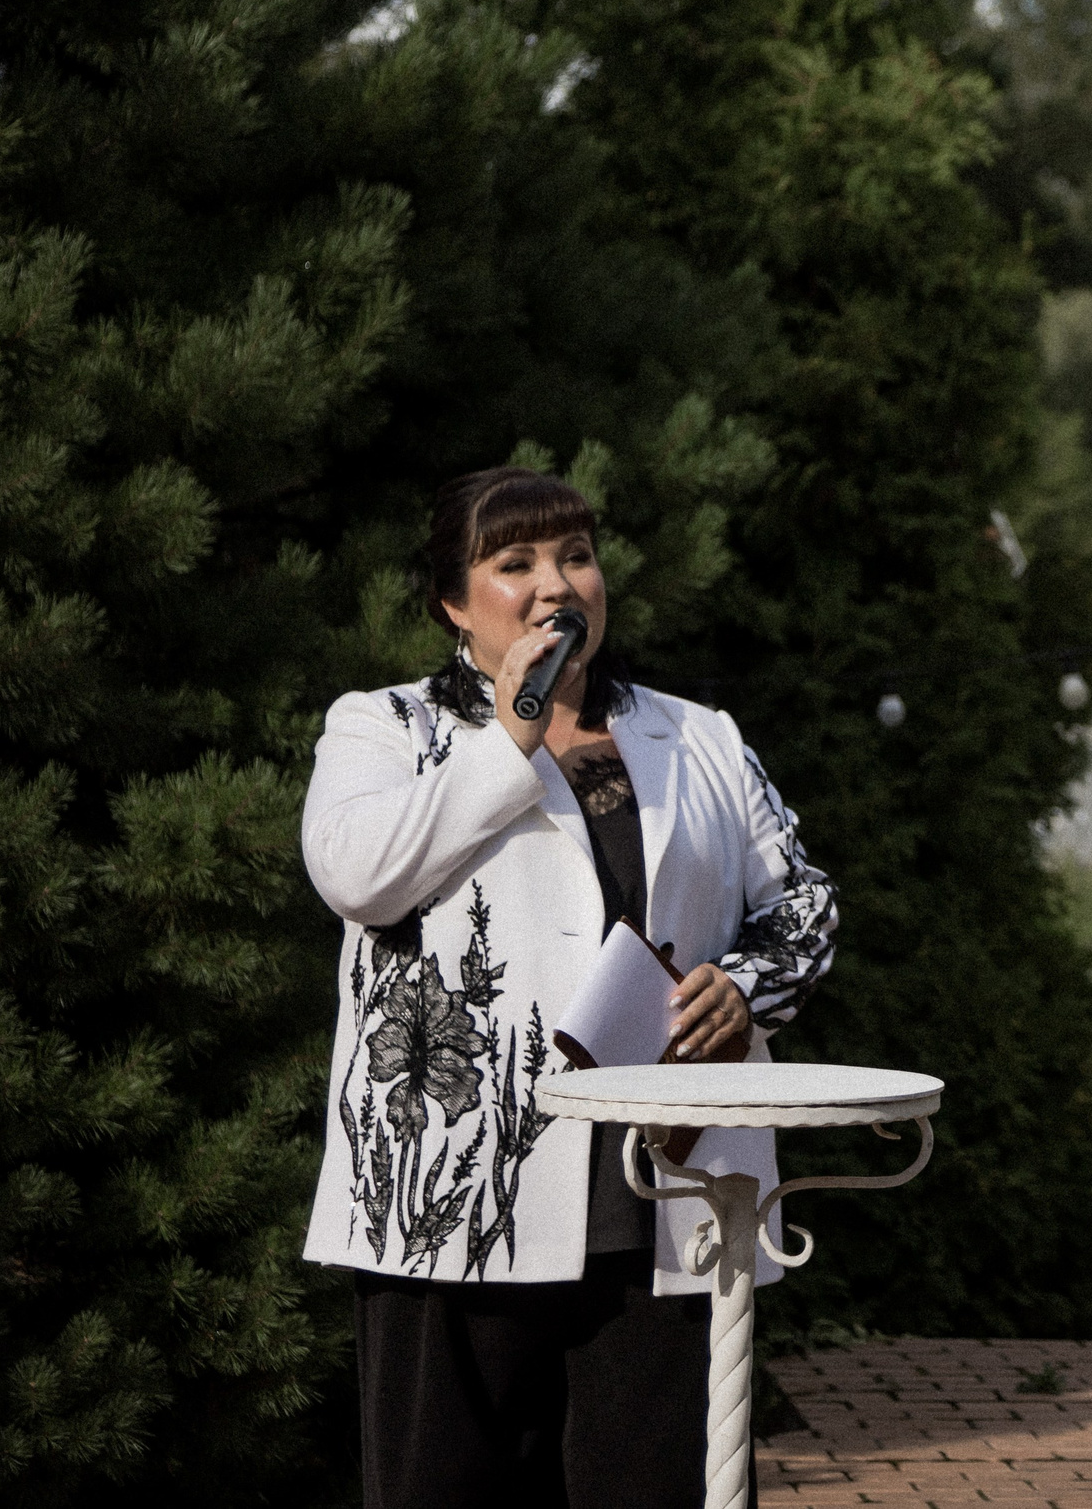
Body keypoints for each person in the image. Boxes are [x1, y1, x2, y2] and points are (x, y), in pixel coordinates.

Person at [300, 466, 839, 1509]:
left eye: (575, 557)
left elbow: (806, 909)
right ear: (455, 604)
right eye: (516, 565)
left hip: (668, 1204)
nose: (556, 585)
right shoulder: (386, 729)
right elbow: (357, 876)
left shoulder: (699, 737)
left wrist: (749, 989)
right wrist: (509, 736)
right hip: (452, 1199)